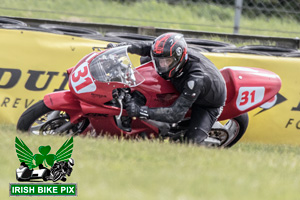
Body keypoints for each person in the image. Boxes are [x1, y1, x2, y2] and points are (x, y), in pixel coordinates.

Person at [110, 32, 226, 145]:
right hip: (181, 82)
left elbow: (175, 114)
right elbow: (148, 48)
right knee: (145, 61)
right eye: (161, 61)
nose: (163, 65)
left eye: (168, 61)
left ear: (178, 59)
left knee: (191, 143)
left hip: (206, 103)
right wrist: (124, 48)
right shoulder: (172, 55)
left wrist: (140, 111)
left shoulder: (196, 79)